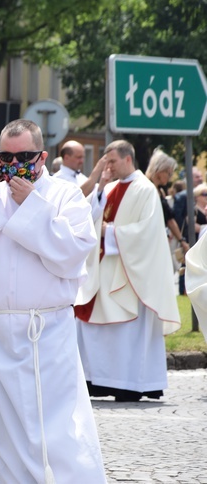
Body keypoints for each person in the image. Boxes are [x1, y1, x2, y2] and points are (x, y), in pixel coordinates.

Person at [0, 119, 105, 483]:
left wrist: (32, 205)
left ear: (42, 156)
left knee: (57, 428)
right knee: (5, 430)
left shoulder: (65, 195)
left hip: (45, 329)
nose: (15, 164)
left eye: (24, 156)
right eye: (5, 156)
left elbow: (72, 253)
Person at [75, 140, 181, 403]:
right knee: (89, 326)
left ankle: (131, 383)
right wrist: (99, 186)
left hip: (129, 274)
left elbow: (147, 234)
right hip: (105, 269)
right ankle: (97, 380)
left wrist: (109, 233)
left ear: (127, 159)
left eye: (111, 161)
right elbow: (90, 214)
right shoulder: (110, 187)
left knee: (127, 333)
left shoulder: (145, 190)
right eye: (106, 161)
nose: (108, 166)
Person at [145, 150, 190, 263]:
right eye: (169, 173)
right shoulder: (146, 189)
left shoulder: (160, 191)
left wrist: (181, 240)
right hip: (148, 243)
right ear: (159, 170)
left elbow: (169, 219)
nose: (170, 177)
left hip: (158, 242)